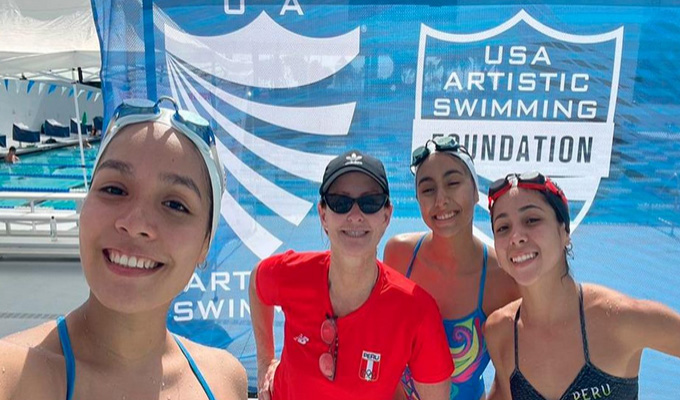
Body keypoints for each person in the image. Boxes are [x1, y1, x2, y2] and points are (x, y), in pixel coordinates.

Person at [0, 97, 247, 400]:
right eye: (114, 189)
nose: (135, 223)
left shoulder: (224, 381)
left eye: (175, 205)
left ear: (205, 245)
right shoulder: (11, 378)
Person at [250, 149, 454, 400]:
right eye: (340, 202)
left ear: (386, 216)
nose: (355, 216)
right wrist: (265, 362)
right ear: (323, 215)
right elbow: (257, 283)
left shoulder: (417, 311)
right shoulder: (292, 273)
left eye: (370, 202)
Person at [484, 172, 680, 400]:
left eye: (532, 220)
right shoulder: (501, 331)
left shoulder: (620, 318)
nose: (516, 236)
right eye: (503, 228)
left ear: (564, 232)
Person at [384, 136, 519, 400]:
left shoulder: (503, 278)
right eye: (428, 189)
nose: (441, 199)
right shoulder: (399, 254)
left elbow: (510, 382)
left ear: (475, 192)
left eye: (453, 183)